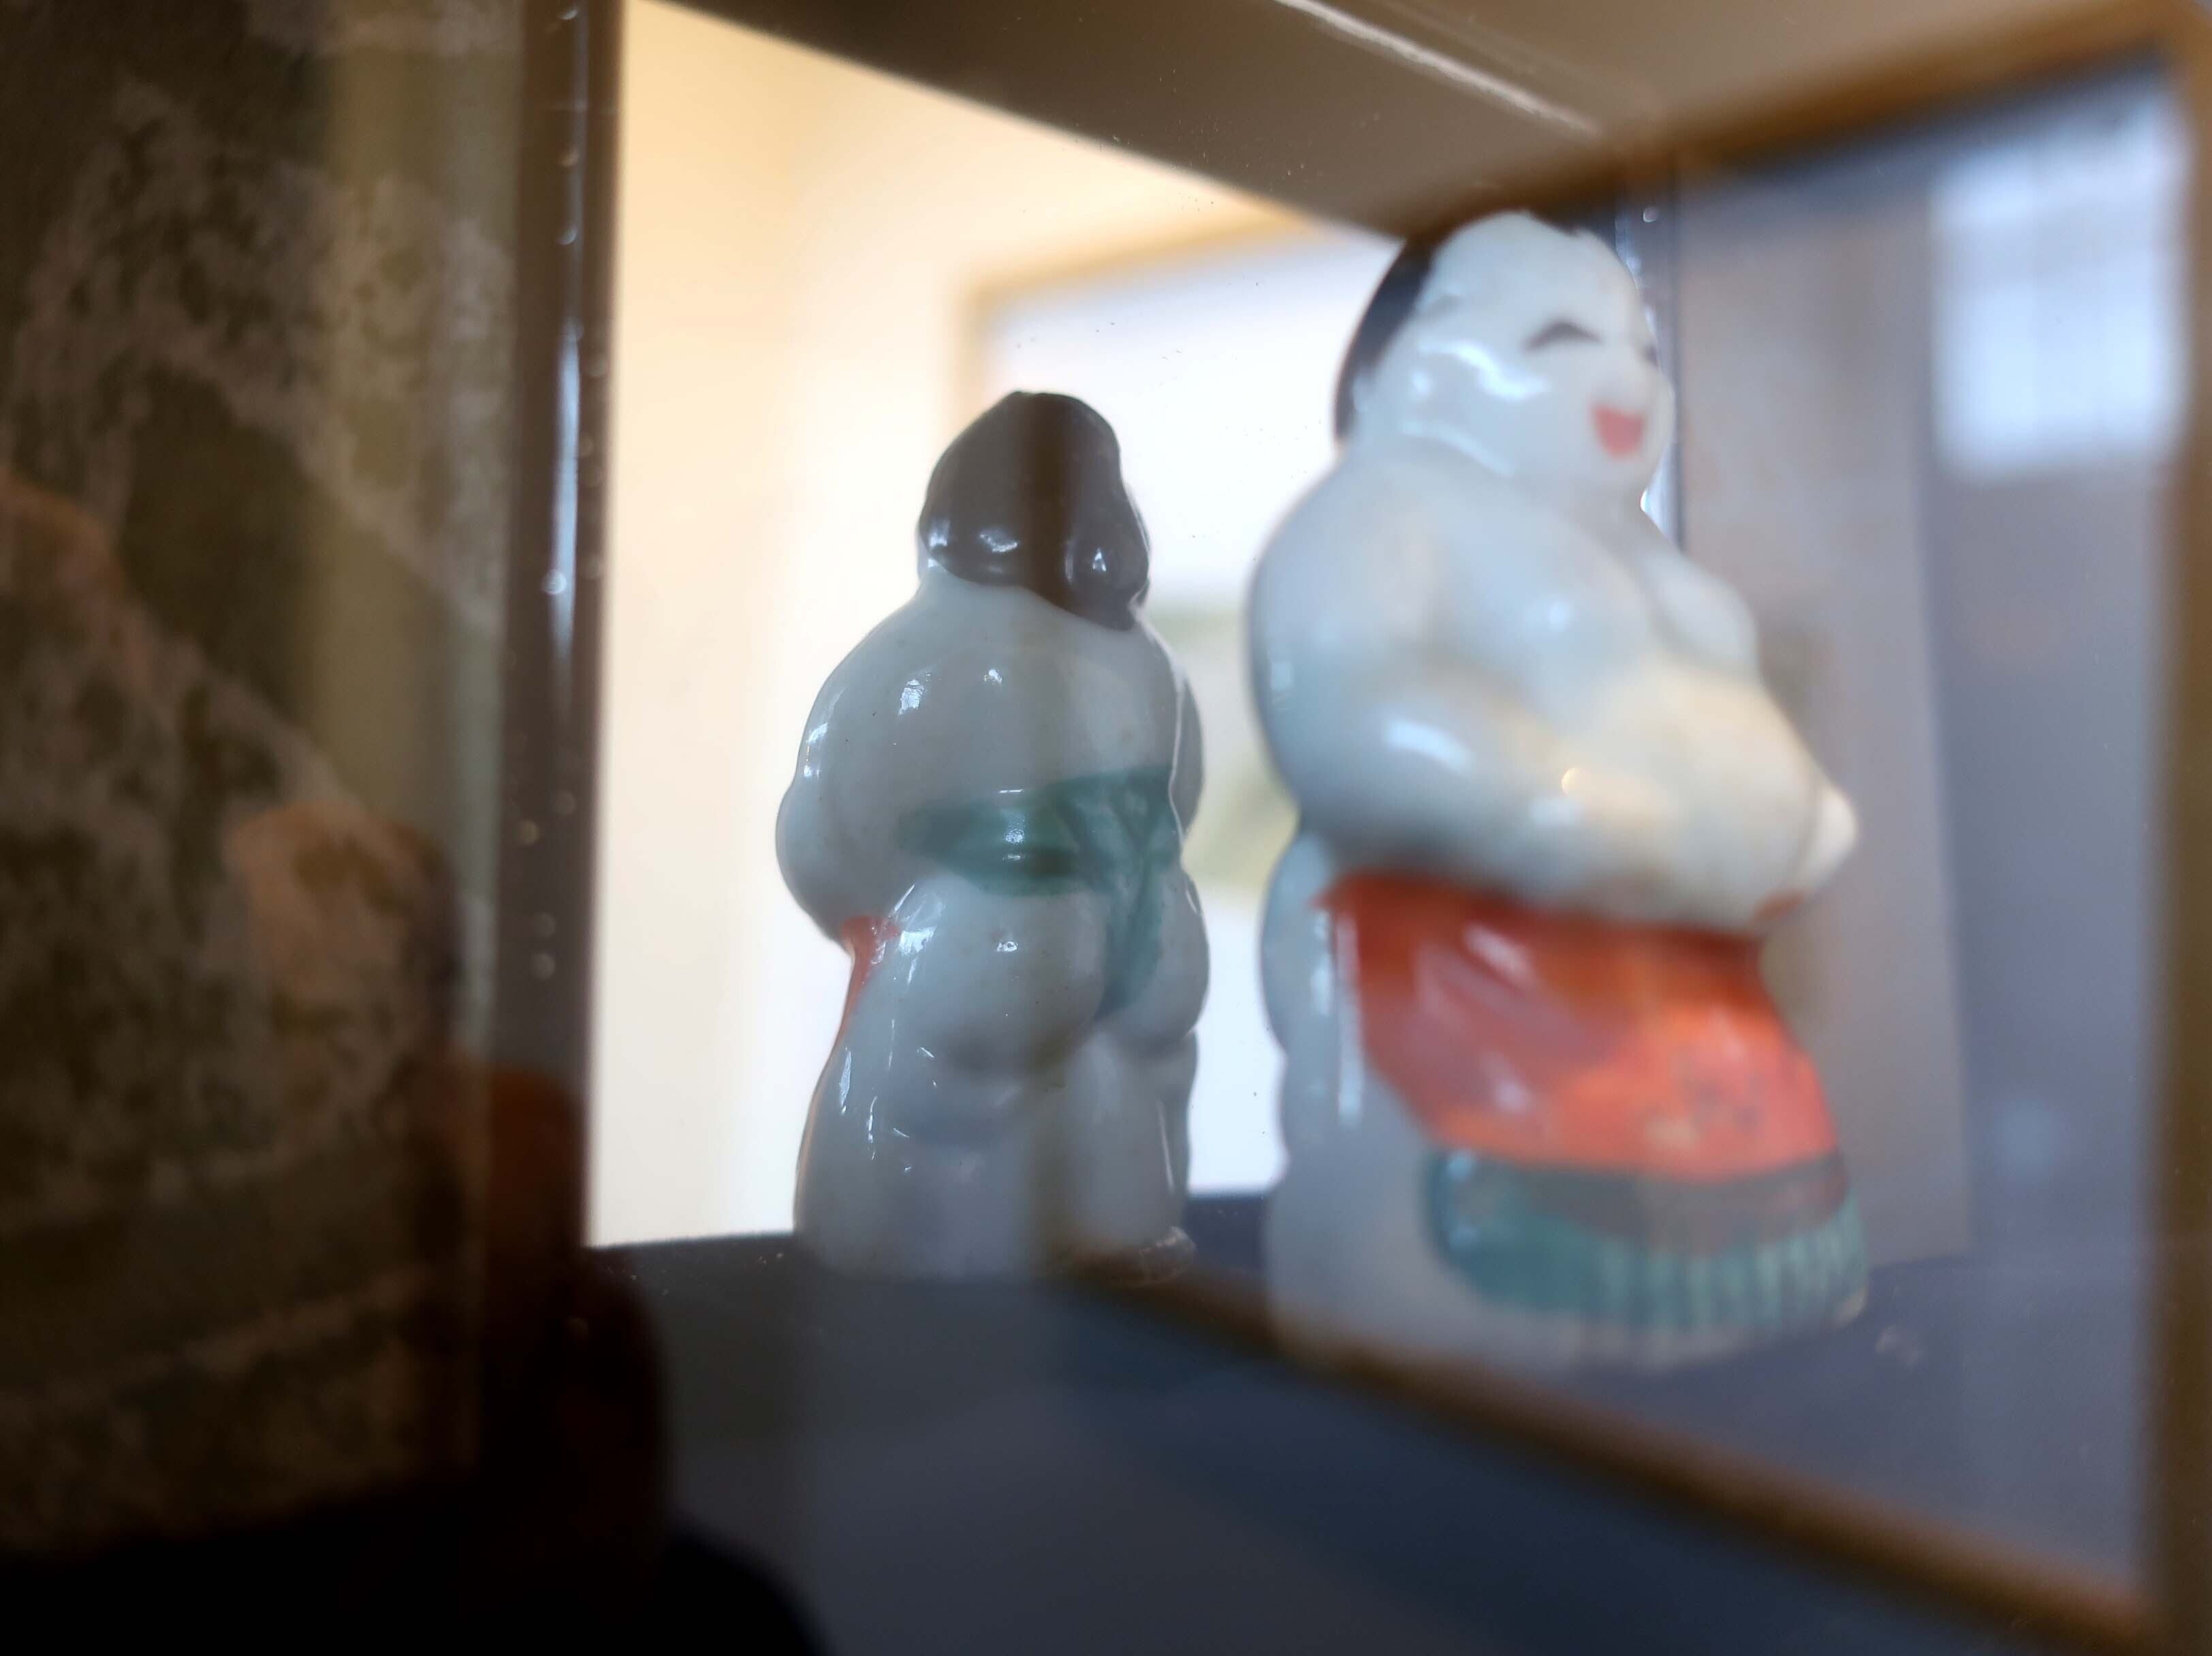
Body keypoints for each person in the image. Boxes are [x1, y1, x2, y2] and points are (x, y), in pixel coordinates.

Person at [1252, 214, 1863, 1367]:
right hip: (1466, 968)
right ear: (1414, 363)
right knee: (1445, 1291)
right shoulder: (1389, 510)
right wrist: (1549, 802)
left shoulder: (1649, 555)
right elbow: (1348, 702)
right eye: (1560, 340)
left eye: (1643, 346)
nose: (1627, 377)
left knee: (1713, 1270)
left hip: (1684, 998)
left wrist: (1794, 820)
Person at [777, 393, 1206, 1278]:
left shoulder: (922, 649)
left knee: (949, 1123)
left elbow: (827, 831)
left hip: (1003, 909)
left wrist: (869, 917)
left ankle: (941, 1277)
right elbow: (1184, 796)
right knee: (1133, 1092)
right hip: (1155, 900)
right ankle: (1119, 1242)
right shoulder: (1157, 664)